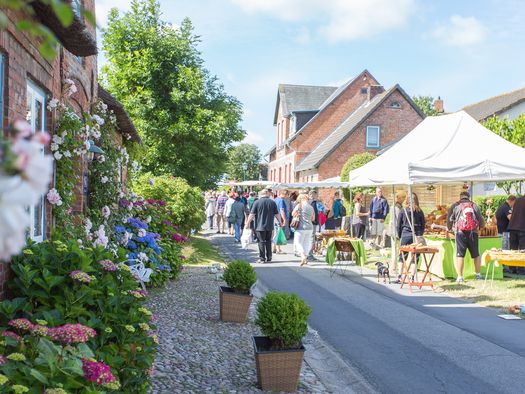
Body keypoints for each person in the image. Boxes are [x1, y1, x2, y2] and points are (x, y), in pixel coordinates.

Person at [447, 191, 485, 283]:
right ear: (469, 197)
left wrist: (449, 228)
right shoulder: (474, 205)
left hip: (460, 232)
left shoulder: (455, 206)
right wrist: (480, 228)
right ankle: (478, 275)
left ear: (460, 197)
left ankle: (460, 277)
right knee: (476, 254)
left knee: (460, 255)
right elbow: (481, 220)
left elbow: (449, 219)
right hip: (473, 232)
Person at [245, 189, 282, 263]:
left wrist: (247, 223)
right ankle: (269, 257)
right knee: (268, 241)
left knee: (261, 242)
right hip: (269, 225)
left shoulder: (256, 202)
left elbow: (252, 214)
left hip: (259, 225)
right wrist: (280, 222)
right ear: (267, 193)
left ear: (261, 194)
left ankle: (262, 258)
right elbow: (277, 213)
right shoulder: (272, 202)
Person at [395, 193, 425, 283]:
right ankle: (412, 277)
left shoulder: (403, 210)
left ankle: (400, 276)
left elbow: (398, 225)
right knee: (415, 257)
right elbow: (423, 225)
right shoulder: (419, 211)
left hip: (405, 234)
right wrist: (419, 234)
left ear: (407, 200)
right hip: (417, 235)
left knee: (402, 256)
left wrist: (400, 236)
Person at [292, 193, 315, 266]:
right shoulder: (311, 207)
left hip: (301, 227)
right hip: (310, 227)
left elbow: (292, 214)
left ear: (301, 199)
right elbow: (313, 218)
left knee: (298, 242)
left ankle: (302, 256)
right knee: (306, 243)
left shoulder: (299, 206)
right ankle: (305, 258)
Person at [272, 190, 288, 254]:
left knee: (276, 233)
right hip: (279, 218)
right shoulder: (281, 200)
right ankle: (277, 249)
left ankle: (274, 247)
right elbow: (281, 210)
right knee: (278, 233)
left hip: (274, 218)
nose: (287, 196)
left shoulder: (275, 199)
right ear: (285, 194)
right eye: (287, 195)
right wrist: (284, 219)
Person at [308, 190, 320, 259]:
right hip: (312, 222)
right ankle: (310, 254)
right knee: (311, 238)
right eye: (315, 195)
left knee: (311, 238)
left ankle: (309, 253)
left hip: (312, 222)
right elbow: (313, 213)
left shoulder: (311, 202)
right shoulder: (312, 202)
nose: (316, 196)